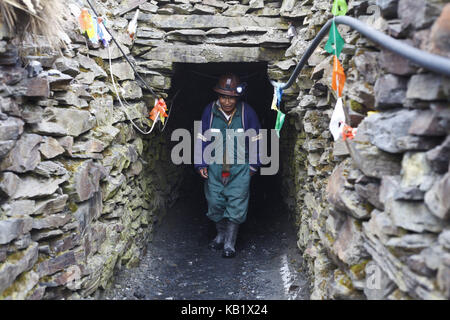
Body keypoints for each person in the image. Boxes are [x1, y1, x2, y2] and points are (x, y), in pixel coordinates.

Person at [194, 73, 262, 258]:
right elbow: (201, 138)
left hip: (240, 166)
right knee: (215, 201)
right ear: (218, 96)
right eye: (224, 96)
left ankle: (229, 243)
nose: (227, 101)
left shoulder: (247, 113)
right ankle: (220, 235)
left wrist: (254, 165)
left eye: (231, 97)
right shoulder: (209, 112)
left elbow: (256, 139)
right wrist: (201, 163)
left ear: (237, 97)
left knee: (236, 203)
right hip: (215, 165)